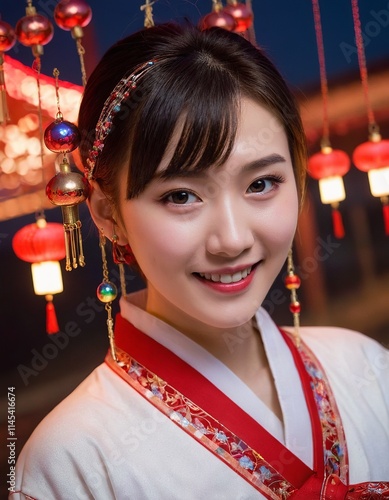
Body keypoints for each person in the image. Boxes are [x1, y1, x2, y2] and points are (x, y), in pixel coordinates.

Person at [11, 22, 389, 499]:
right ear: (108, 213)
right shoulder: (68, 464)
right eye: (182, 195)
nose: (231, 239)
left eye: (261, 184)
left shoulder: (365, 366)